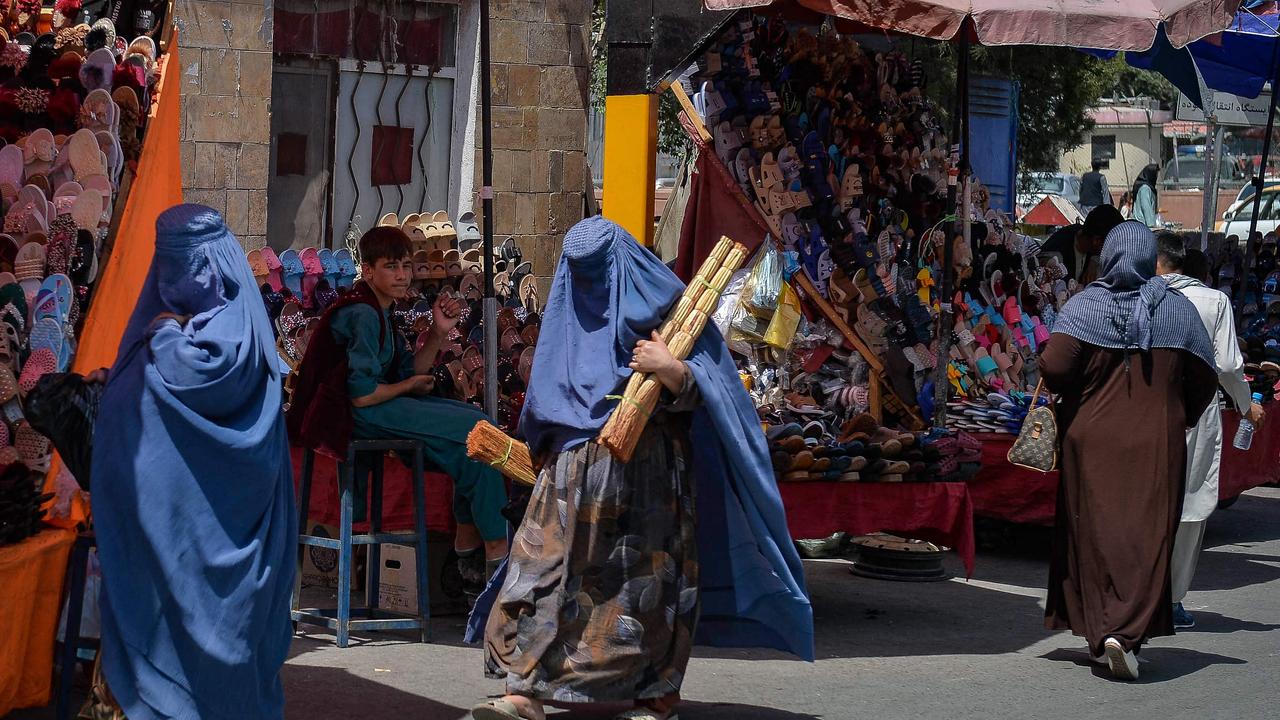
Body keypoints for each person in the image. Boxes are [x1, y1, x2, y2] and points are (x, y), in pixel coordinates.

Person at [468, 216, 813, 720]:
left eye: (598, 272)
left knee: (642, 587)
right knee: (543, 576)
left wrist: (669, 368)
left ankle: (655, 692)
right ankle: (527, 691)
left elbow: (716, 389)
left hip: (649, 476)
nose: (591, 286)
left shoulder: (669, 309)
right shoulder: (569, 316)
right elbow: (545, 399)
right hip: (570, 476)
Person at [90, 205, 297, 718]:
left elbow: (200, 376)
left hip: (215, 537)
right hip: (199, 539)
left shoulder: (217, 334)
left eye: (176, 264)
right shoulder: (230, 324)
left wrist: (160, 334)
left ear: (205, 265)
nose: (167, 277)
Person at [1040, 221, 1218, 681]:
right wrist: (1178, 414)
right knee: (1146, 535)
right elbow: (1204, 379)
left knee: (1093, 534)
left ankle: (1103, 634)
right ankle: (1125, 635)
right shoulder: (1178, 311)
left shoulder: (1085, 305)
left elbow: (1055, 367)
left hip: (1090, 442)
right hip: (1156, 443)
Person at [288, 226, 509, 594]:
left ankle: (470, 548)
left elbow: (411, 371)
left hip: (378, 406)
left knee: (474, 443)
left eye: (406, 265)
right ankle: (491, 548)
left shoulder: (382, 311)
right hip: (355, 414)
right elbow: (363, 395)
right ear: (368, 270)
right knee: (478, 428)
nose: (403, 275)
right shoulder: (362, 313)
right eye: (392, 266)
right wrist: (409, 387)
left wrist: (438, 333)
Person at [1155, 237, 1263, 629]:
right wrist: (1244, 403)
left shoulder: (1138, 295)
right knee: (1189, 506)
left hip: (1143, 411)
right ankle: (1172, 598)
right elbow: (1230, 366)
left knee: (1148, 502)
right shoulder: (1212, 302)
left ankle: (1141, 594)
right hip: (1196, 414)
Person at [1040, 205, 1125, 283]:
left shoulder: (1089, 245)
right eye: (1110, 244)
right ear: (1096, 241)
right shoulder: (1057, 255)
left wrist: (1095, 260)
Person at [1132, 163, 1160, 227]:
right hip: (1142, 225)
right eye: (1155, 174)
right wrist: (1151, 225)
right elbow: (1146, 206)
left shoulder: (1149, 188)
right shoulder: (1145, 188)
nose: (1156, 177)